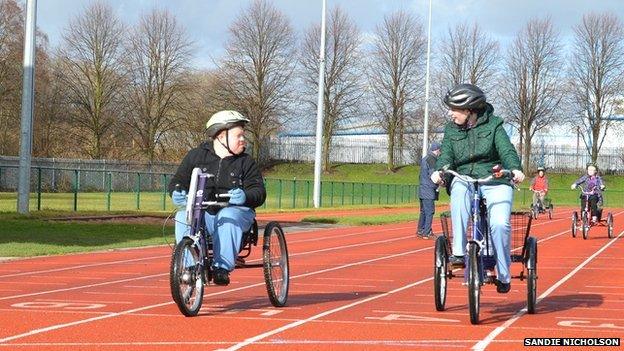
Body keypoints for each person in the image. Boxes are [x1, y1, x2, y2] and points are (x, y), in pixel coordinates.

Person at [430, 83, 525, 294]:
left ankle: (503, 273)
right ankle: (458, 253)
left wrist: (515, 169)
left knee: (500, 224)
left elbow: (507, 151)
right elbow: (446, 155)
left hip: (495, 180)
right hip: (465, 178)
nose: (450, 113)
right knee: (458, 191)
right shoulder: (451, 129)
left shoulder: (494, 126)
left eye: (454, 109)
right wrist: (440, 171)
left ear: (469, 110)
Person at [168, 110, 266, 286]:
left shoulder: (246, 162)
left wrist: (245, 196)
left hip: (236, 215)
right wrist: (176, 192)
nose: (244, 140)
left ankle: (221, 268)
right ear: (222, 136)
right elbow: (178, 181)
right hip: (203, 214)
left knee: (227, 214)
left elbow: (259, 192)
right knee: (182, 217)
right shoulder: (196, 156)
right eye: (239, 136)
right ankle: (190, 267)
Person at [417, 141, 442, 239]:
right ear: (438, 150)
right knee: (430, 211)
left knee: (423, 211)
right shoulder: (432, 160)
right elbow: (434, 176)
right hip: (429, 189)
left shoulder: (425, 159)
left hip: (422, 188)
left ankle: (420, 229)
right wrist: (441, 182)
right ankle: (426, 232)